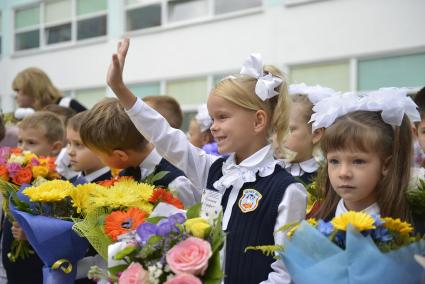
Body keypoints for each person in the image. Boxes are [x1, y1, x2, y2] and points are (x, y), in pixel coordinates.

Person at [106, 38, 307, 283]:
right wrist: (120, 90)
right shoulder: (212, 169)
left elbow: (285, 272)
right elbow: (164, 135)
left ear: (258, 121)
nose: (214, 127)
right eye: (212, 118)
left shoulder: (287, 189)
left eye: (222, 117)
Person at [310, 89, 424, 233]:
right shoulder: (315, 226)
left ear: (386, 164)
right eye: (334, 161)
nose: (343, 173)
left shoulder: (410, 230)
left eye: (358, 161)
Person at [79, 98, 200, 206]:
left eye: (99, 155)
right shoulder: (129, 171)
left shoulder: (176, 184)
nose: (98, 158)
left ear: (120, 155)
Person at [2, 111, 66, 284]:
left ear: (55, 147)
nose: (22, 148)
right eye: (20, 141)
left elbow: (60, 232)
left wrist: (32, 234)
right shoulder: (14, 178)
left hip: (38, 273)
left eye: (31, 142)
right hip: (13, 272)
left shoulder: (58, 184)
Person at [281, 83, 338, 184]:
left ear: (316, 134)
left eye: (290, 130)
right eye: (276, 129)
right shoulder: (266, 171)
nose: (280, 138)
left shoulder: (326, 178)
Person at [12, 67, 86, 113]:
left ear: (32, 89)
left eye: (18, 90)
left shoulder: (67, 104)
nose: (16, 96)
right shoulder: (30, 114)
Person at [66, 111, 112, 184]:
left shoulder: (110, 188)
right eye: (68, 143)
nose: (70, 152)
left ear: (103, 146)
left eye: (78, 144)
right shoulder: (72, 181)